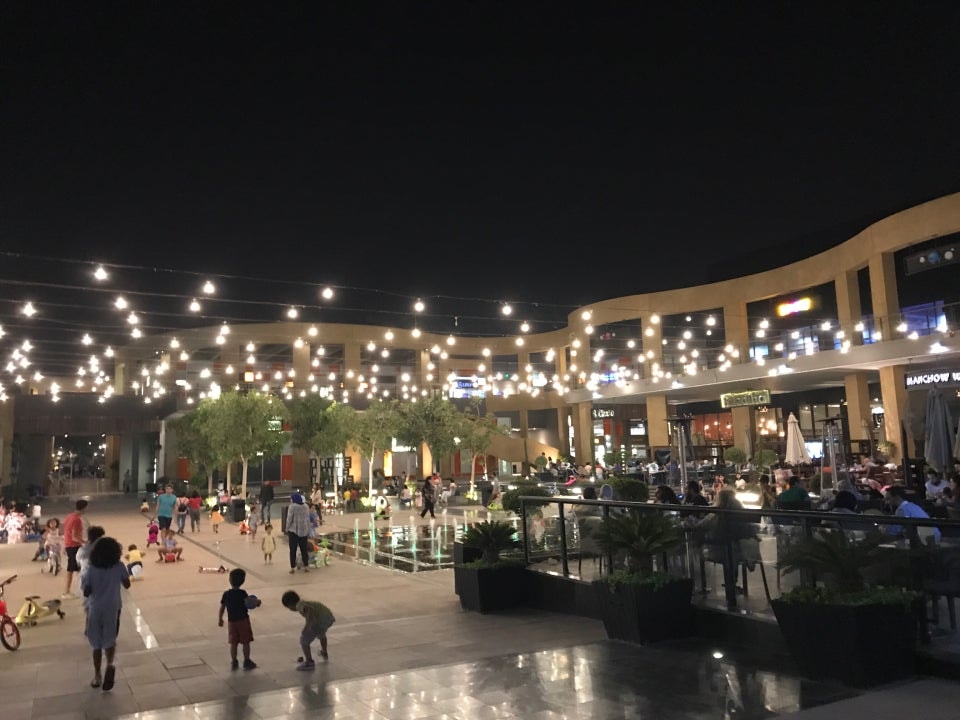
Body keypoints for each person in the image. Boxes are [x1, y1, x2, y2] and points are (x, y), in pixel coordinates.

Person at [82, 536, 131, 691]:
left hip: (95, 608)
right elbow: (127, 584)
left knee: (96, 644)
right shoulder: (119, 566)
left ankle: (97, 675)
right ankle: (110, 664)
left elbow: (86, 591)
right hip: (113, 608)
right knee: (110, 639)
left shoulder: (91, 569)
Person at [282, 589, 335, 671]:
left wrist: (307, 627)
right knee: (321, 634)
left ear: (291, 604)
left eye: (288, 608)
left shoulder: (299, 605)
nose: (290, 610)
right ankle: (324, 651)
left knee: (304, 640)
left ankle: (309, 662)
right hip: (327, 618)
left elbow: (310, 611)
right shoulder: (303, 602)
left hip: (319, 620)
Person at [218, 568, 257, 671]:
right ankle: (247, 661)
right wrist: (257, 602)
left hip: (232, 622)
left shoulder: (226, 594)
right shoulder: (242, 593)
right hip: (243, 620)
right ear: (243, 581)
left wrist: (220, 619)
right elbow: (249, 603)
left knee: (233, 643)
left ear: (230, 580)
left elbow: (222, 608)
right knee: (246, 641)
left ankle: (234, 661)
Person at [62, 499, 88, 599]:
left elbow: (66, 532)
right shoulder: (77, 519)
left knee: (77, 568)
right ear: (84, 508)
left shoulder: (69, 516)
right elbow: (74, 536)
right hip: (73, 546)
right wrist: (84, 542)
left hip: (69, 545)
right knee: (72, 568)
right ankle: (66, 591)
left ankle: (81, 588)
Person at [285, 493, 312, 573]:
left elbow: (289, 518)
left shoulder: (292, 506)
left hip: (294, 531)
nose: (290, 500)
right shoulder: (306, 506)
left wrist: (286, 528)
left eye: (291, 498)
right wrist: (308, 530)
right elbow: (308, 519)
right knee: (304, 549)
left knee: (293, 550)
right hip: (304, 531)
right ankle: (306, 566)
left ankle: (292, 567)